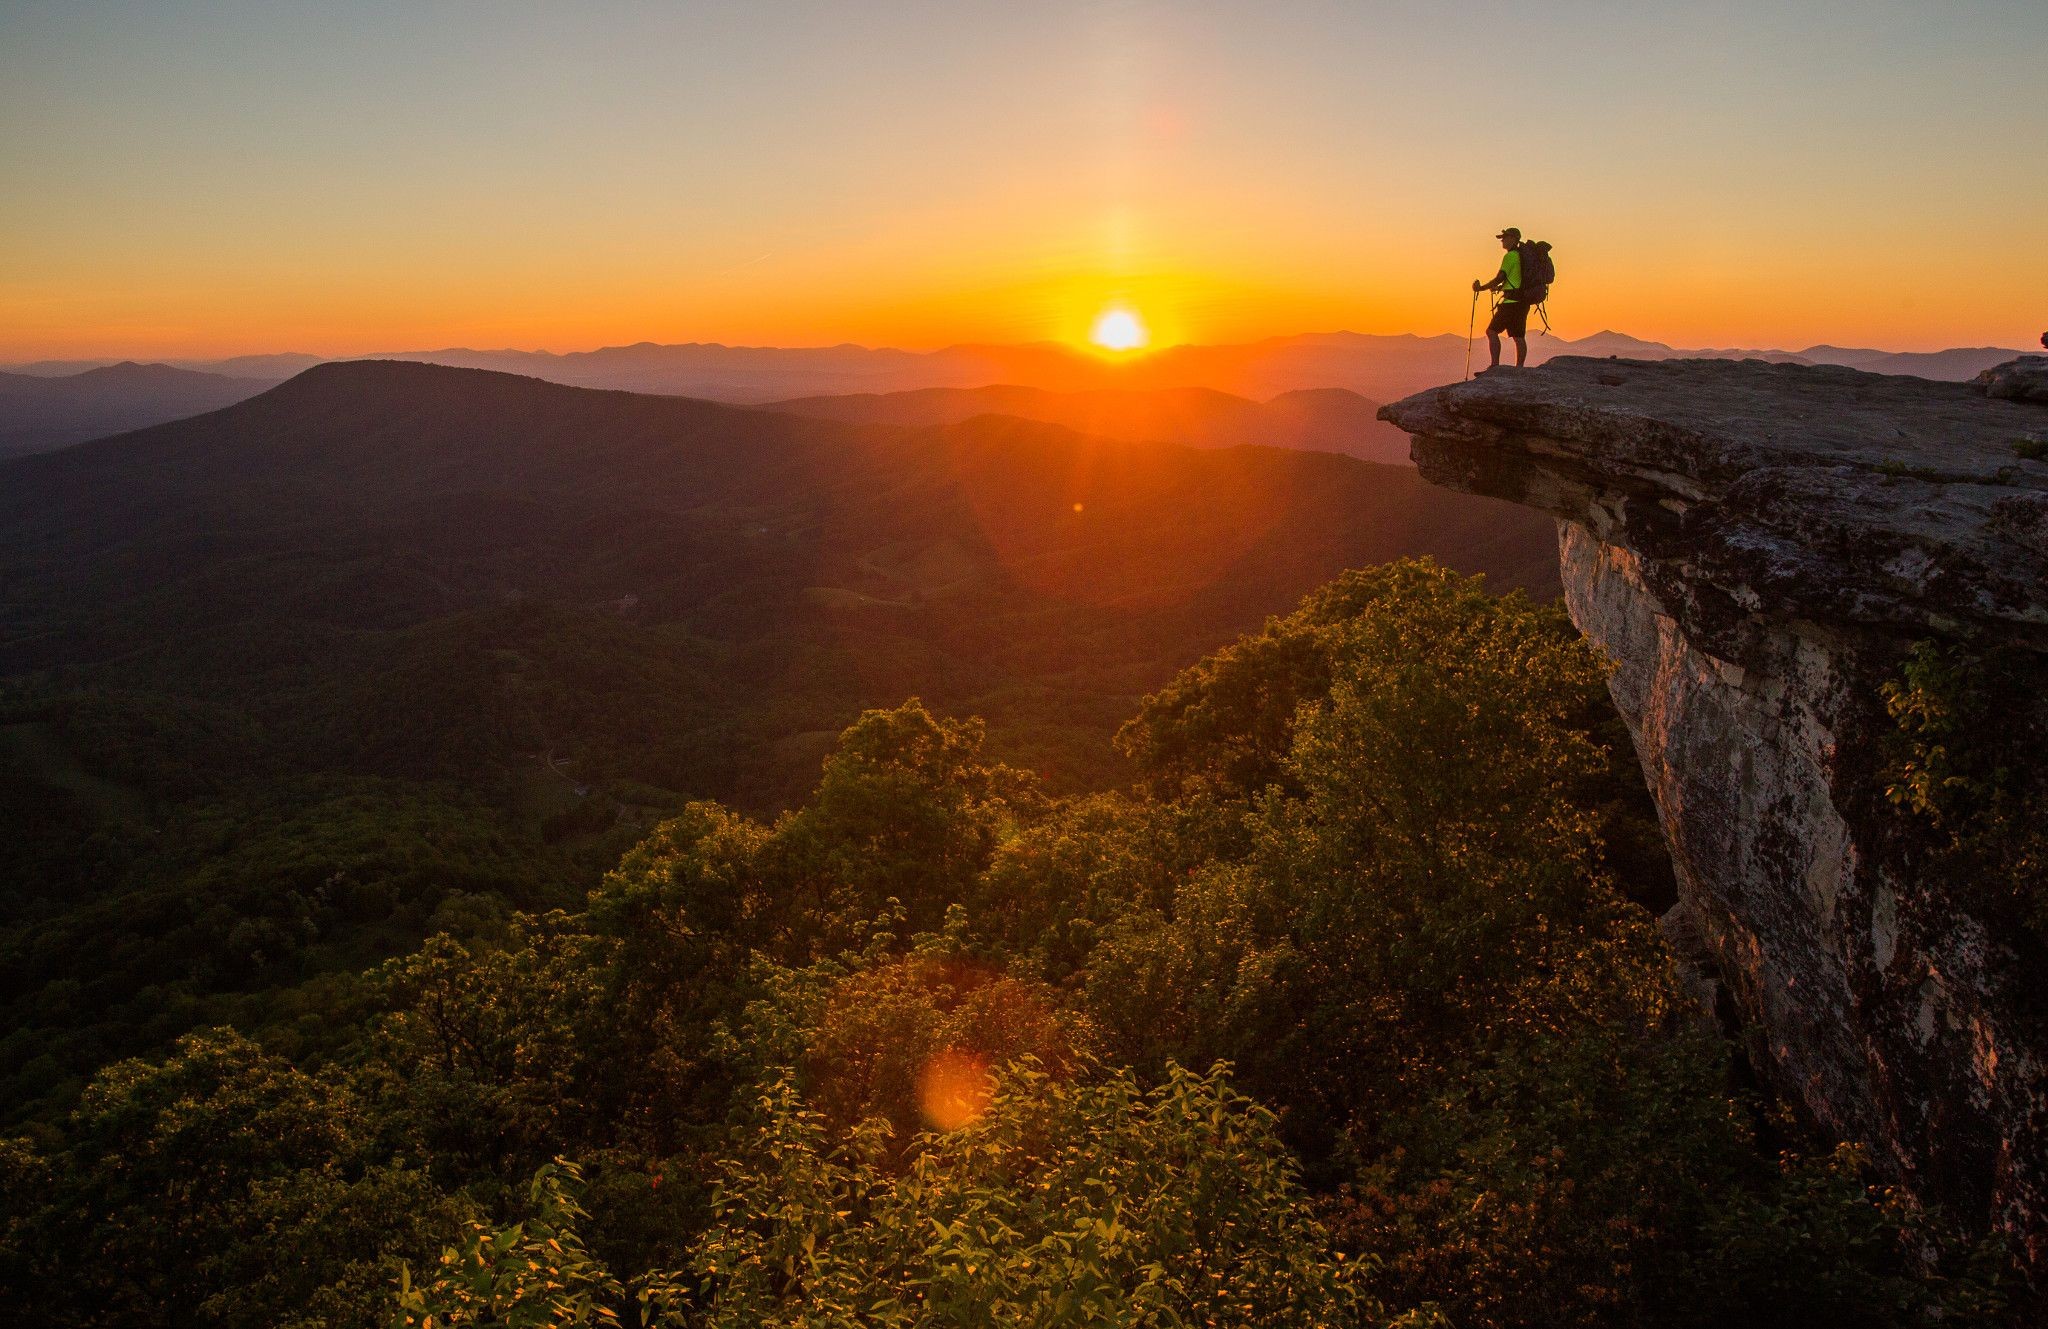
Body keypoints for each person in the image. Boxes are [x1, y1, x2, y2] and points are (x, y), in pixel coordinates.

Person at [1473, 227, 1530, 369]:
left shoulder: (1510, 256)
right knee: (1518, 337)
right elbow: (1515, 280)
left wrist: (1481, 288)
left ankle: (1495, 366)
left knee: (1491, 332)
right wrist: (1500, 288)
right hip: (1522, 302)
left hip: (1510, 303)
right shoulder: (1521, 256)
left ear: (1513, 239)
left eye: (1504, 238)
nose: (1502, 241)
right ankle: (1519, 368)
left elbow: (1500, 277)